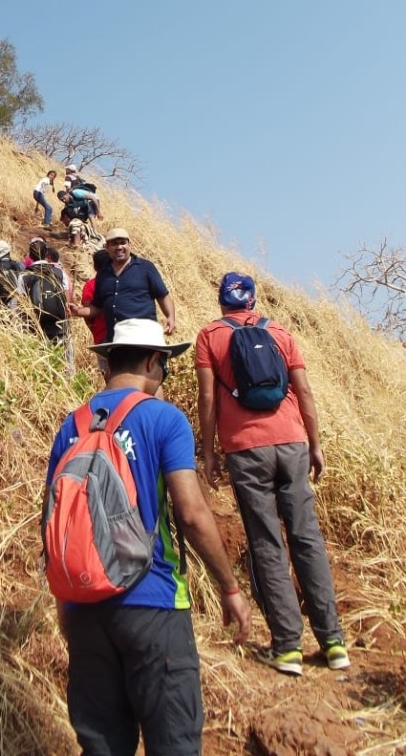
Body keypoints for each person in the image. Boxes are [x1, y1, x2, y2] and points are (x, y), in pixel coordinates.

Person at [44, 319, 251, 756]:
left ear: (109, 361)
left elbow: (52, 522)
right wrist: (229, 586)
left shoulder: (71, 426)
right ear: (154, 361)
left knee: (103, 747)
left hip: (84, 610)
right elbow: (191, 513)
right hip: (154, 601)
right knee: (174, 743)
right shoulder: (164, 419)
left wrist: (67, 606)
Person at [195, 272, 349, 677]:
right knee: (307, 538)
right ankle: (333, 643)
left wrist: (208, 453)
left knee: (267, 542)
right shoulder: (279, 332)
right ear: (252, 301)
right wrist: (315, 443)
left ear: (221, 301)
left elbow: (208, 397)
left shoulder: (210, 336)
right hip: (292, 443)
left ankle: (288, 647)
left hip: (246, 448)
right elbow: (304, 391)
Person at [69, 227, 176, 342]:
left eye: (123, 243)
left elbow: (162, 295)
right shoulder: (102, 275)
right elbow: (97, 308)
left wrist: (170, 317)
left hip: (144, 338)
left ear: (130, 244)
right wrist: (78, 311)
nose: (119, 247)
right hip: (116, 340)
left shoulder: (145, 268)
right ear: (107, 247)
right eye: (114, 244)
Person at [20, 239, 69, 345]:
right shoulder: (59, 272)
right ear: (46, 254)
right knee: (61, 350)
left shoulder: (24, 275)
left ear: (30, 256)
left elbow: (21, 302)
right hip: (59, 323)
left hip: (36, 325)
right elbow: (66, 297)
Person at [81, 248, 111, 379]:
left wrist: (93, 330)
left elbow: (87, 313)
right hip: (123, 334)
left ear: (95, 266)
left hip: (101, 336)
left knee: (108, 375)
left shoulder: (90, 285)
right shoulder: (121, 281)